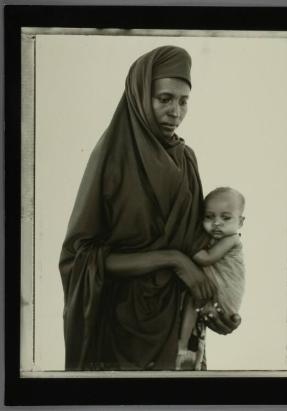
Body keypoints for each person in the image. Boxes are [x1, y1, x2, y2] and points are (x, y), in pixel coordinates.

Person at [59, 45, 241, 371]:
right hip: (120, 333)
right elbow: (80, 258)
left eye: (183, 101)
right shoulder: (112, 160)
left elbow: (196, 242)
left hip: (180, 329)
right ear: (141, 96)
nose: (176, 112)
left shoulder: (186, 159)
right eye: (164, 99)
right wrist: (172, 260)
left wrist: (215, 302)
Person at [176, 187, 246, 370]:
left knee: (194, 297)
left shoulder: (232, 239)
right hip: (217, 286)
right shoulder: (215, 236)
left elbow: (205, 259)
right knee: (195, 297)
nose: (216, 223)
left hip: (225, 294)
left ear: (241, 222)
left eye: (225, 217)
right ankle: (184, 348)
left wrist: (183, 243)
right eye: (209, 217)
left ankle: (182, 346)